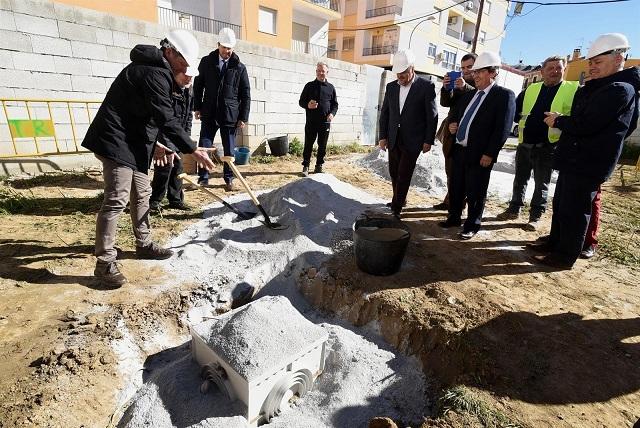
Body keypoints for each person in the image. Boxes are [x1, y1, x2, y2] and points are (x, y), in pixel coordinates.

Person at [81, 29, 215, 288]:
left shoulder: (162, 73)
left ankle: (144, 244)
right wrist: (192, 149)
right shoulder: (154, 72)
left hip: (134, 142)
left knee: (142, 193)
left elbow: (147, 117)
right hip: (115, 140)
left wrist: (157, 145)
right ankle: (104, 263)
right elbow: (164, 115)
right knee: (116, 199)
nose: (185, 68)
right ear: (169, 52)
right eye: (183, 62)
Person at [531, 33, 639, 268]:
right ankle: (555, 242)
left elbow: (588, 124)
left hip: (589, 162)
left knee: (575, 211)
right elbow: (584, 118)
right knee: (562, 204)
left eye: (597, 62)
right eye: (590, 62)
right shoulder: (600, 86)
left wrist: (559, 122)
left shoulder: (620, 89)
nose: (592, 67)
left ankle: (564, 256)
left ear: (619, 58)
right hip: (575, 158)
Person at [440, 51, 516, 239]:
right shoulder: (469, 95)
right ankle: (454, 217)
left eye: (479, 72)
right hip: (459, 151)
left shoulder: (503, 96)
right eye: (474, 72)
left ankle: (472, 224)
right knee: (456, 187)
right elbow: (456, 115)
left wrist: (490, 154)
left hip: (480, 154)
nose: (475, 75)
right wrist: (452, 125)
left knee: (476, 191)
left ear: (493, 72)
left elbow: (502, 129)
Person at [497, 56, 579, 230]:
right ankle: (514, 209)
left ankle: (535, 216)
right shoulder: (531, 89)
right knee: (520, 179)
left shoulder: (573, 90)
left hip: (548, 145)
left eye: (559, 68)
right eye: (550, 68)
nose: (555, 71)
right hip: (525, 143)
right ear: (542, 72)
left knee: (542, 183)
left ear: (564, 70)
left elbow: (579, 117)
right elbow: (515, 110)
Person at [378, 49, 438, 219]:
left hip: (414, 140)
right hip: (393, 138)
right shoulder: (391, 87)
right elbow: (385, 114)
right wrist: (383, 136)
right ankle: (399, 199)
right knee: (394, 171)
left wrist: (428, 140)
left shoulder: (426, 86)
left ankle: (396, 207)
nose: (400, 77)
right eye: (398, 74)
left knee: (404, 174)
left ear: (412, 68)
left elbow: (432, 116)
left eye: (404, 73)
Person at [193, 27, 251, 191]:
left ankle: (229, 178)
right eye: (224, 47)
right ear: (218, 45)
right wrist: (197, 106)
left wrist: (243, 117)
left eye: (230, 48)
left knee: (229, 148)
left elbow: (245, 94)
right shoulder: (206, 61)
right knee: (204, 145)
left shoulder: (239, 67)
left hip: (229, 114)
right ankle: (203, 177)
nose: (227, 51)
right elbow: (198, 86)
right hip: (209, 112)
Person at [434, 53, 477, 210]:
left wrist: (464, 87)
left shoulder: (479, 84)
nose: (465, 71)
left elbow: (477, 98)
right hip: (450, 134)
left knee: (462, 173)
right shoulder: (458, 81)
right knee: (450, 170)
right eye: (463, 67)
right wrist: (446, 88)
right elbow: (446, 103)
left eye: (469, 67)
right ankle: (450, 200)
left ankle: (457, 205)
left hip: (467, 137)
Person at [149, 69, 196, 213]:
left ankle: (175, 199)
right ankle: (155, 201)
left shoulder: (189, 90)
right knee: (164, 167)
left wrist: (186, 137)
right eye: (186, 75)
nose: (189, 78)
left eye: (191, 76)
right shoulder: (168, 87)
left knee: (179, 167)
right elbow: (163, 117)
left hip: (179, 135)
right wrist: (166, 143)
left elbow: (188, 116)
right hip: (165, 134)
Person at [298, 61, 339, 176]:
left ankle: (319, 166)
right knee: (308, 144)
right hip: (311, 122)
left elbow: (335, 104)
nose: (321, 73)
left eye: (323, 71)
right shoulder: (309, 86)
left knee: (323, 145)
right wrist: (307, 105)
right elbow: (301, 102)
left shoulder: (331, 88)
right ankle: (306, 166)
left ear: (327, 72)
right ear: (316, 72)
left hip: (325, 122)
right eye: (318, 71)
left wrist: (332, 114)